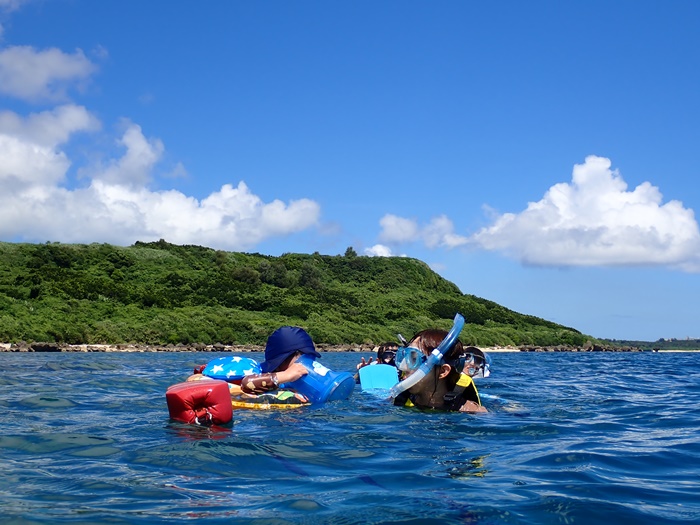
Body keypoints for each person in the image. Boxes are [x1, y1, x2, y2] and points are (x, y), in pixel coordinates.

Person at [392, 328, 489, 413]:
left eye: (414, 358)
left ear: (443, 371)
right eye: (405, 356)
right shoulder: (399, 400)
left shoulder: (473, 412)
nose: (403, 366)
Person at [240, 326, 317, 394]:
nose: (306, 367)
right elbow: (246, 383)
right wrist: (286, 375)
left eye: (311, 359)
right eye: (303, 360)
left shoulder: (292, 382)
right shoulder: (255, 372)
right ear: (280, 361)